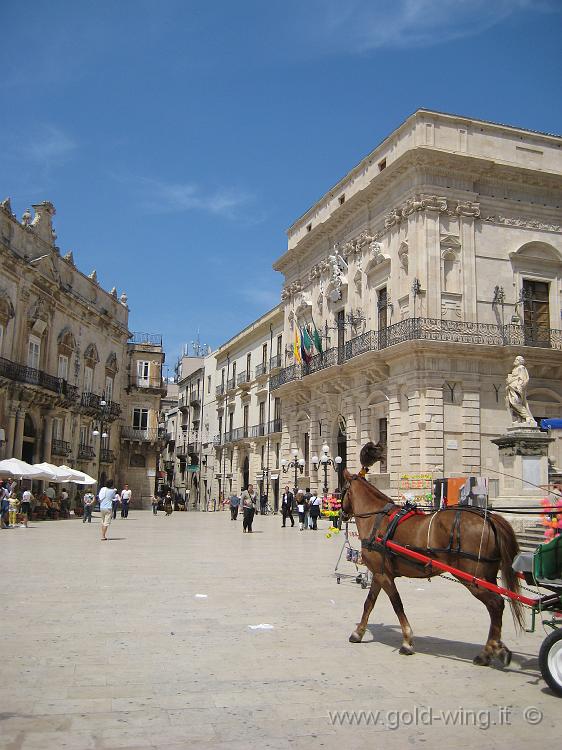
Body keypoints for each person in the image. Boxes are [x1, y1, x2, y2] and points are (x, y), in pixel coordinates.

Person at [505, 355, 535, 425]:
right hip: (511, 387)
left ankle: (527, 416)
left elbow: (523, 378)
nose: (515, 361)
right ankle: (520, 418)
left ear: (520, 361)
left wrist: (519, 386)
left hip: (516, 388)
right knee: (511, 404)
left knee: (515, 402)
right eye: (515, 359)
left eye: (517, 360)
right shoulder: (515, 369)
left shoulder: (521, 368)